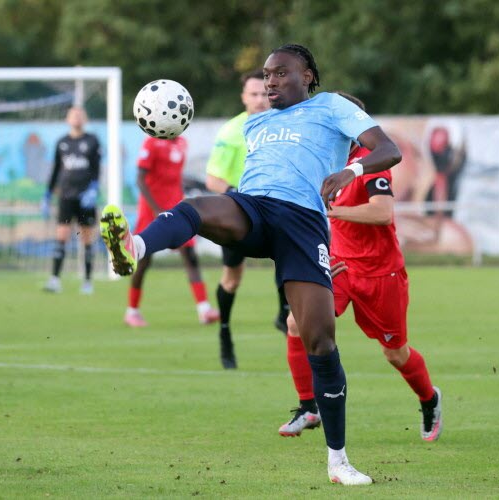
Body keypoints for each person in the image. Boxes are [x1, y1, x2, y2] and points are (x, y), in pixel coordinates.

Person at [99, 44, 401, 485]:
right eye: (266, 75)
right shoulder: (256, 123)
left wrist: (349, 173)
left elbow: (388, 148)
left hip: (302, 225)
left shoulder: (332, 106)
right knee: (195, 207)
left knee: (319, 340)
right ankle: (135, 249)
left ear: (309, 76)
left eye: (281, 73)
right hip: (255, 208)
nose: (270, 82)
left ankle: (338, 462)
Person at [278, 92, 443, 443]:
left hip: (381, 274)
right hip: (338, 267)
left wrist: (334, 212)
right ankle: (309, 407)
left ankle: (429, 399)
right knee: (296, 323)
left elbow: (382, 212)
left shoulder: (370, 161)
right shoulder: (323, 159)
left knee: (394, 352)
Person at [205, 69, 292, 369]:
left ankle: (284, 314)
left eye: (263, 93)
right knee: (232, 278)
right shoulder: (232, 132)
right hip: (239, 213)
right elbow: (213, 179)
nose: (259, 99)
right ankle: (225, 334)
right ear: (243, 97)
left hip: (275, 208)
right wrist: (239, 194)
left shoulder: (283, 124)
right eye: (253, 94)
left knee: (289, 259)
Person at [122, 130, 220, 327]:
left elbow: (174, 178)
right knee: (144, 261)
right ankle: (132, 311)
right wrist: (156, 208)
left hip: (175, 207)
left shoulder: (182, 143)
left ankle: (204, 309)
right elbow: (140, 179)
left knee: (190, 256)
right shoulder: (151, 143)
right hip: (151, 210)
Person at [42, 107, 101, 294]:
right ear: (67, 119)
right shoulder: (62, 142)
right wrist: (48, 194)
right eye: (73, 114)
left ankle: (88, 282)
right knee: (61, 237)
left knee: (87, 239)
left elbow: (96, 169)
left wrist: (93, 190)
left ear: (85, 118)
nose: (76, 117)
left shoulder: (92, 141)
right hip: (66, 197)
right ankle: (54, 279)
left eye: (79, 114)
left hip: (85, 198)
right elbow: (56, 170)